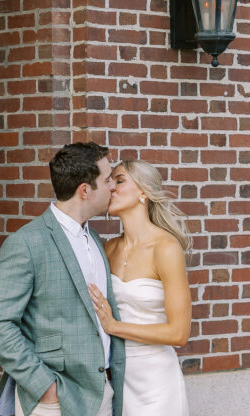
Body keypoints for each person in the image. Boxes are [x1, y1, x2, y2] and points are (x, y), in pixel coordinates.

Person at [0, 141, 125, 416]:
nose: (113, 187)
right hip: (55, 400)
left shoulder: (95, 239)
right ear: (85, 190)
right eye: (107, 180)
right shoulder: (26, 243)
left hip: (105, 392)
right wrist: (45, 386)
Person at [88, 159, 191, 416]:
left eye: (119, 180)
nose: (111, 187)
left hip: (156, 381)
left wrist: (115, 327)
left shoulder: (166, 248)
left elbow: (179, 333)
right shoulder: (108, 249)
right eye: (110, 181)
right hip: (117, 376)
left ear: (144, 191)